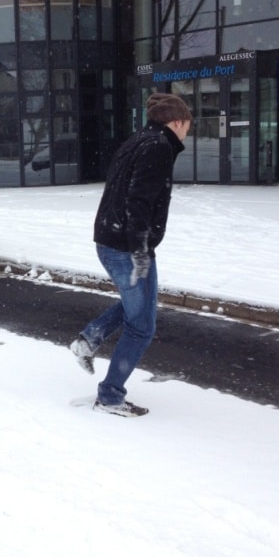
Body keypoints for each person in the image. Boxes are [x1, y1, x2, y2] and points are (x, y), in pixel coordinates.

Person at [70, 92, 192, 417]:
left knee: (138, 305)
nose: (187, 134)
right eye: (187, 127)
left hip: (110, 240)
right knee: (142, 325)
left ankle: (89, 339)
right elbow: (138, 201)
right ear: (177, 122)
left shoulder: (139, 140)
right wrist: (140, 250)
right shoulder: (158, 147)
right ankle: (110, 396)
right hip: (126, 247)